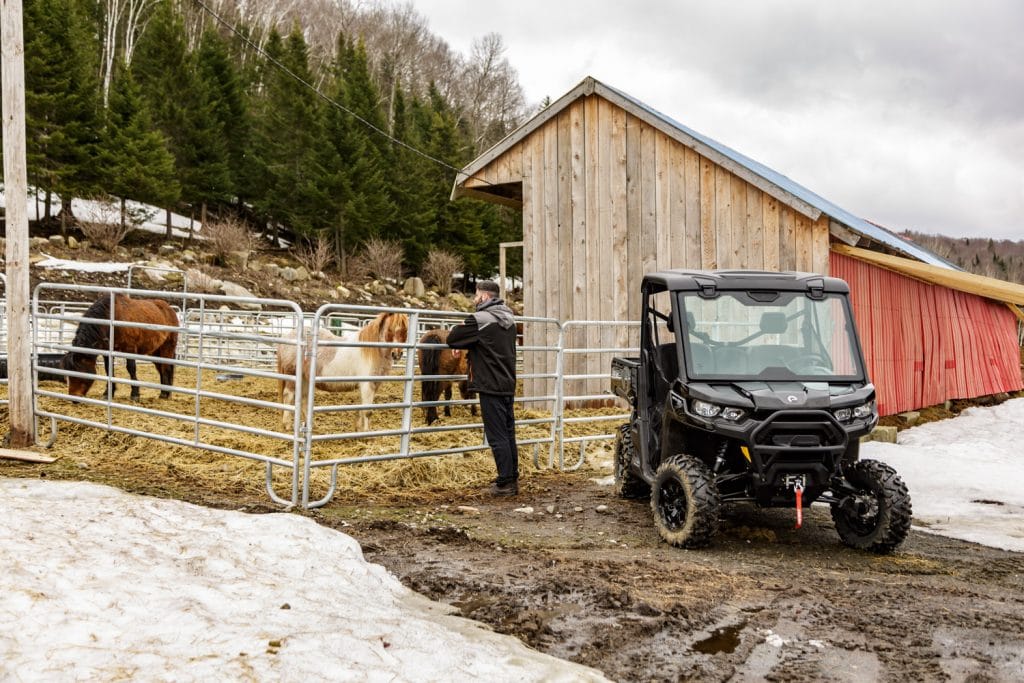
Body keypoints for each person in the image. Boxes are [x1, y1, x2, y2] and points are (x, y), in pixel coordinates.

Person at [446, 280, 520, 496]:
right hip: (507, 381)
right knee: (508, 433)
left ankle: (505, 483)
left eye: (476, 295)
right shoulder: (509, 319)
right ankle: (512, 477)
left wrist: (462, 342)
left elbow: (453, 338)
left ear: (485, 297)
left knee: (496, 435)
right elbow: (489, 343)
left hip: (490, 383)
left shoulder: (480, 319)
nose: (474, 299)